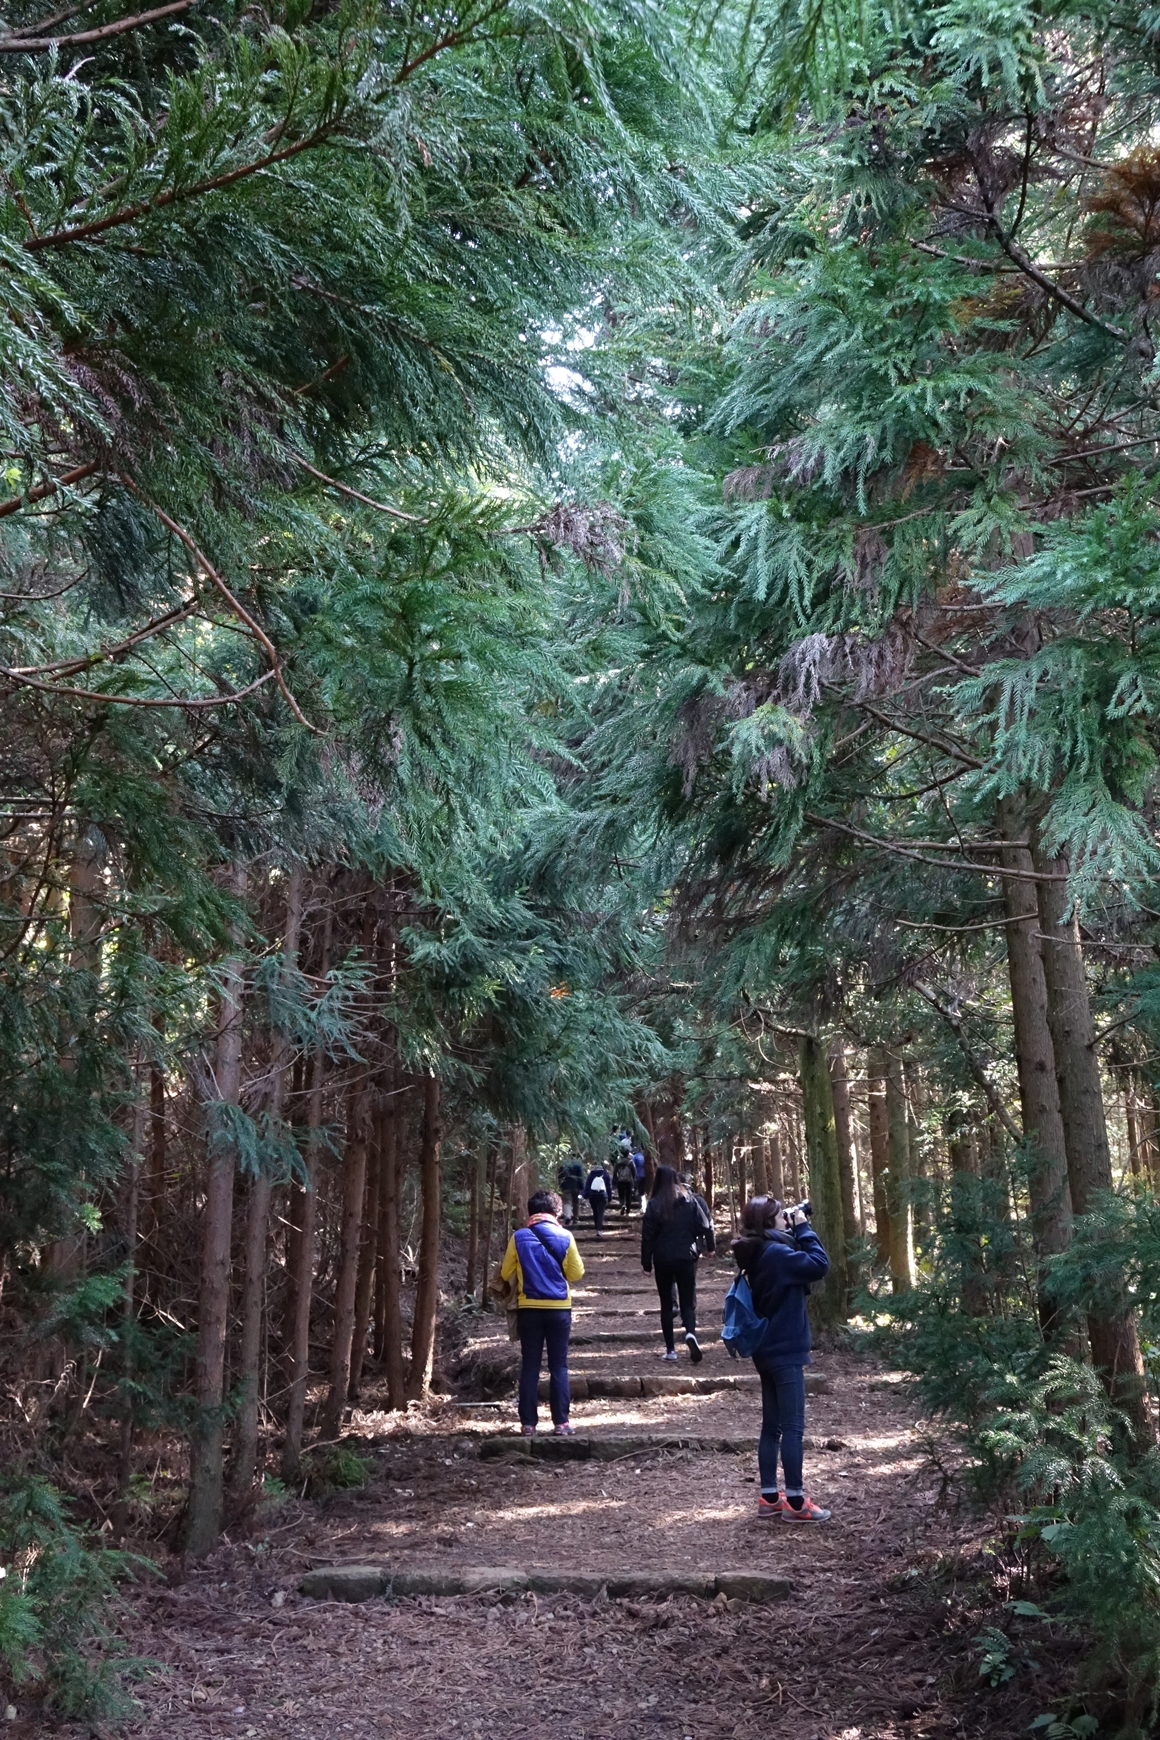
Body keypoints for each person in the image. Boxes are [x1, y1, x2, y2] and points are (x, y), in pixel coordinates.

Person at [731, 1195, 831, 1521]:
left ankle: (770, 1497)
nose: (783, 1219)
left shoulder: (759, 1251)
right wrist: (804, 1227)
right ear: (767, 1223)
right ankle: (797, 1502)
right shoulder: (776, 1254)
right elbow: (819, 1265)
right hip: (785, 1350)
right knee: (792, 1428)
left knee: (771, 1427)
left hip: (766, 1349)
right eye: (778, 1216)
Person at [500, 1189, 585, 1436]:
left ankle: (528, 1424)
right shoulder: (565, 1236)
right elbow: (576, 1274)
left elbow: (506, 1274)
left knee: (530, 1366)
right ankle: (562, 1423)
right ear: (556, 1211)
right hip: (559, 1309)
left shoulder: (519, 1237)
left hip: (529, 1310)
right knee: (558, 1365)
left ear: (531, 1211)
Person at [640, 1164, 715, 1362]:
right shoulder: (689, 1201)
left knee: (666, 1304)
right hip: (686, 1257)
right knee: (688, 1302)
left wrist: (646, 1264)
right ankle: (690, 1333)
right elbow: (704, 1225)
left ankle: (670, 1350)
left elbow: (647, 1237)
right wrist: (707, 1245)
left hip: (663, 1259)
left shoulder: (654, 1204)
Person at [583, 1160, 613, 1235]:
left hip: (593, 1195)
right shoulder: (605, 1174)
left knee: (595, 1212)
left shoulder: (591, 1175)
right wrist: (609, 1197)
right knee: (601, 1212)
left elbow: (587, 1187)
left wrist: (585, 1196)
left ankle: (597, 1227)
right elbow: (609, 1187)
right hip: (602, 1195)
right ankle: (599, 1229)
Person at [557, 1157, 584, 1225]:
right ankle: (575, 1218)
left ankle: (567, 1216)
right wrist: (582, 1187)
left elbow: (560, 1176)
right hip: (576, 1186)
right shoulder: (577, 1164)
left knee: (567, 1202)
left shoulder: (563, 1164)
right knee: (576, 1203)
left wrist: (560, 1185)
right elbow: (580, 1177)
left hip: (566, 1186)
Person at [614, 1149, 637, 1217]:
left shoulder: (618, 1162)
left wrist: (615, 1181)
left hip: (620, 1181)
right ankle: (628, 1211)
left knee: (621, 1196)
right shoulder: (630, 1162)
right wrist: (634, 1181)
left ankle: (622, 1205)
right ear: (627, 1154)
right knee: (628, 1196)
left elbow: (615, 1172)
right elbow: (634, 1173)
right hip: (628, 1182)